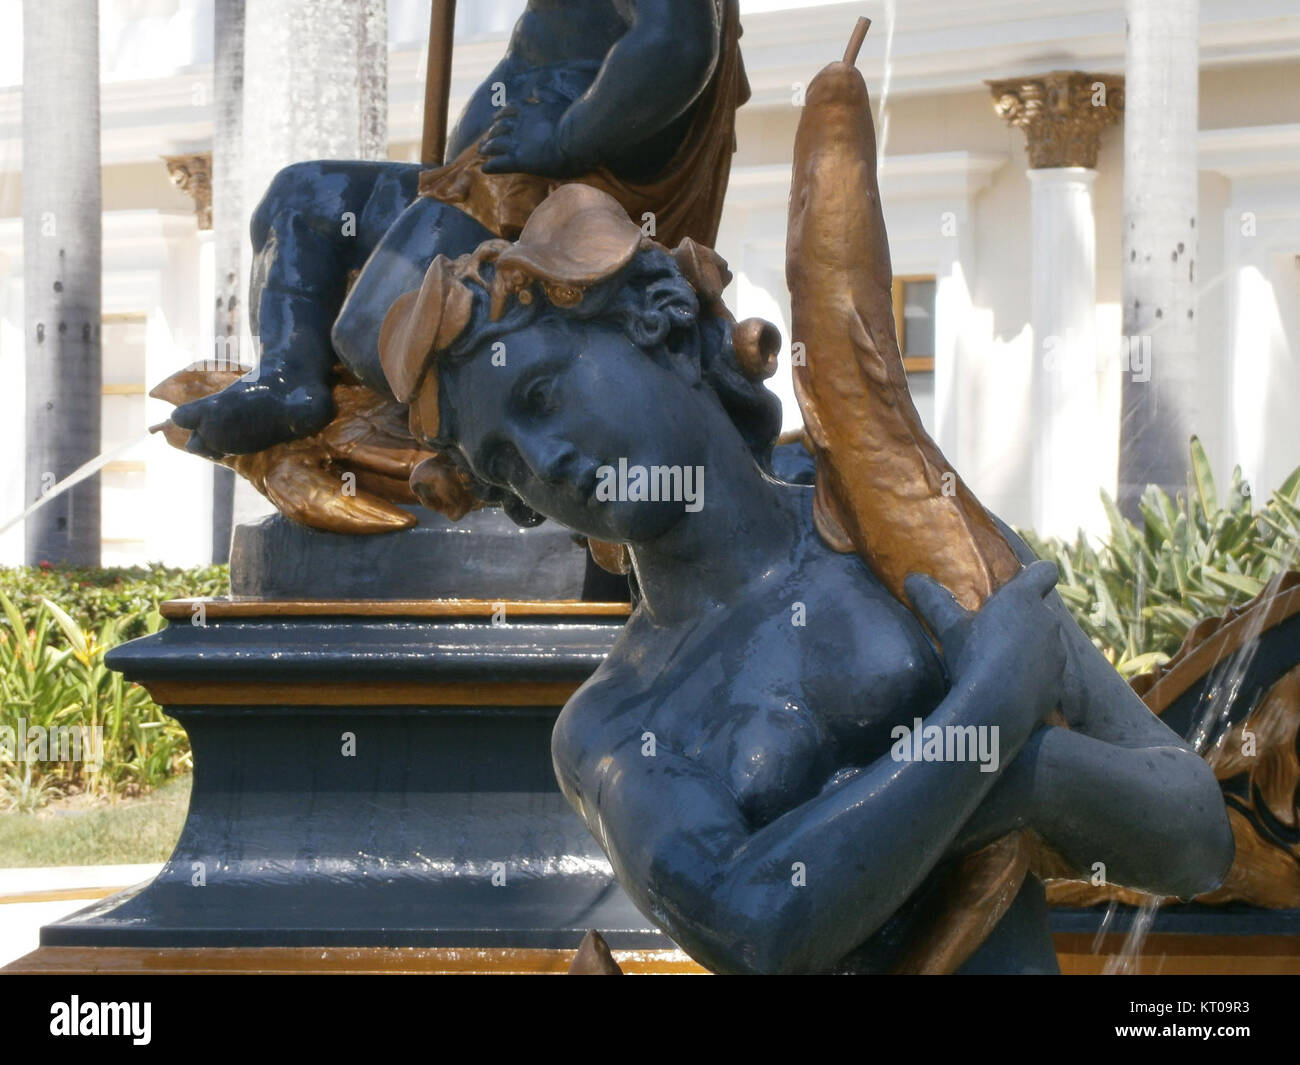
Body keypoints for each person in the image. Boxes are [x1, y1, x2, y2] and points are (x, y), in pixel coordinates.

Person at [376, 185, 1234, 974]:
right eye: (503, 465)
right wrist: (988, 716)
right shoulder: (613, 724)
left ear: (662, 321)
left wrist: (1021, 772)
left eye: (542, 394)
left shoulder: (910, 534)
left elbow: (1197, 838)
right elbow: (756, 924)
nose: (545, 462)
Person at [171, 0, 745, 460]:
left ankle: (488, 465)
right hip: (478, 176)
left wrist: (566, 140)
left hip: (544, 192)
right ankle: (287, 380)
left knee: (377, 332)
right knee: (305, 195)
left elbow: (678, 43)